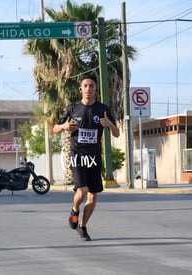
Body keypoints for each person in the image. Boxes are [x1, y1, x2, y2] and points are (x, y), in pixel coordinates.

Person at [53, 74, 120, 241]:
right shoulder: (72, 108)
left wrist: (109, 124)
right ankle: (74, 209)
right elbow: (54, 128)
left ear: (96, 89)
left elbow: (117, 133)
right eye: (85, 86)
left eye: (91, 86)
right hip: (77, 154)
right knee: (82, 191)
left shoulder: (103, 109)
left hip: (94, 156)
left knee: (93, 195)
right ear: (80, 89)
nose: (88, 89)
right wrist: (64, 126)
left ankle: (82, 227)